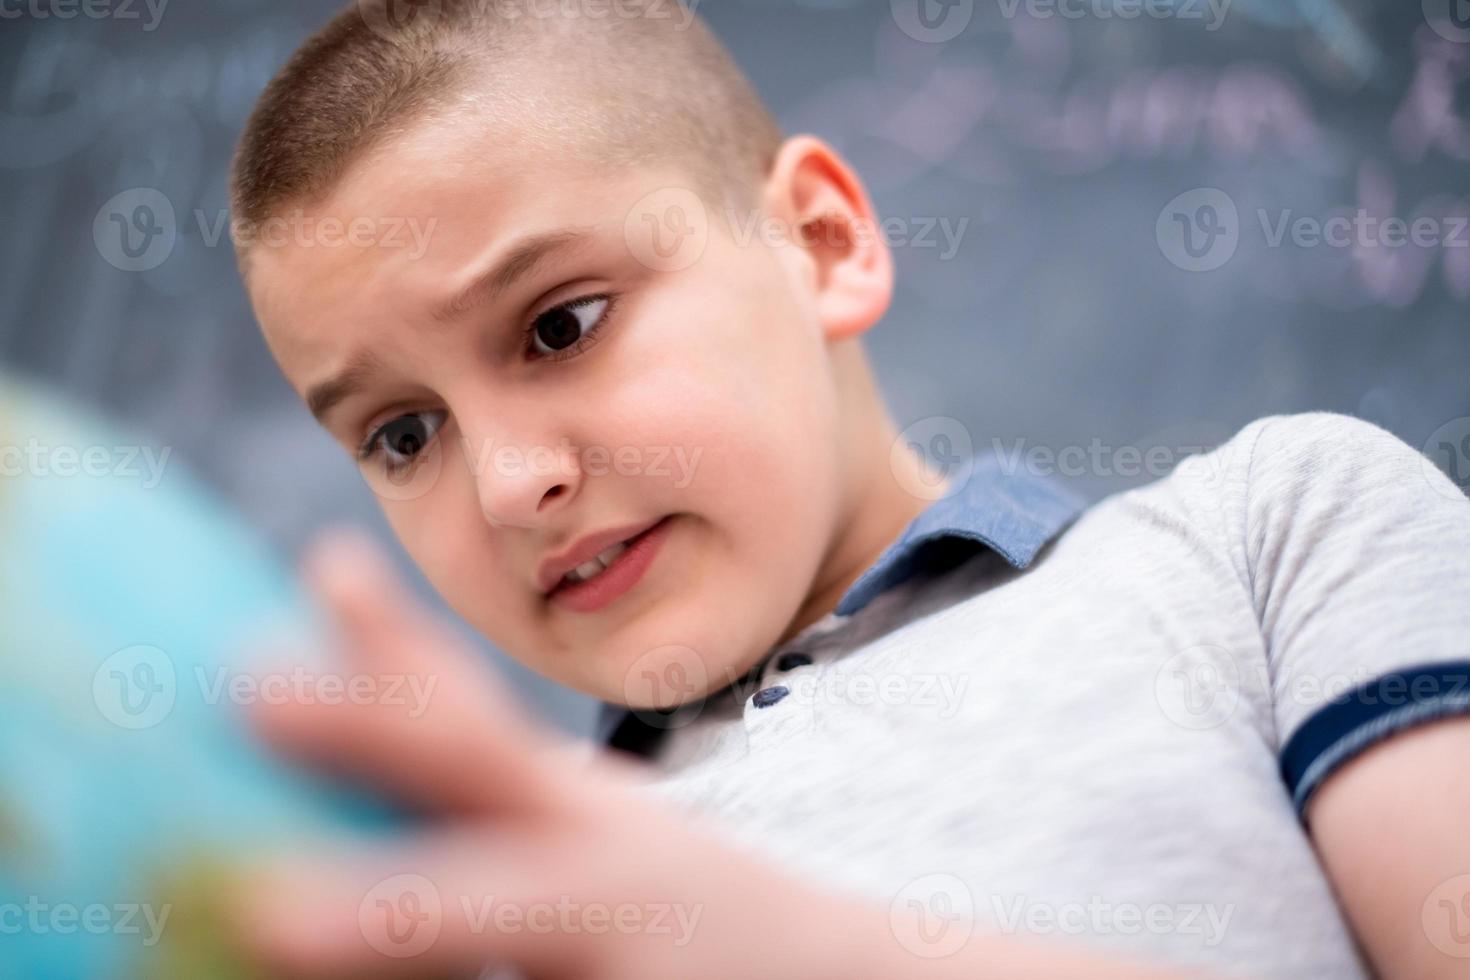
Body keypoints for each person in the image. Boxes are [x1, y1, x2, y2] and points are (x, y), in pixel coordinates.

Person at [223, 2, 1470, 977]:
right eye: (400, 435)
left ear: (823, 242)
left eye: (563, 324)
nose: (508, 485)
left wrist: (786, 946)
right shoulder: (493, 905)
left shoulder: (1273, 536)